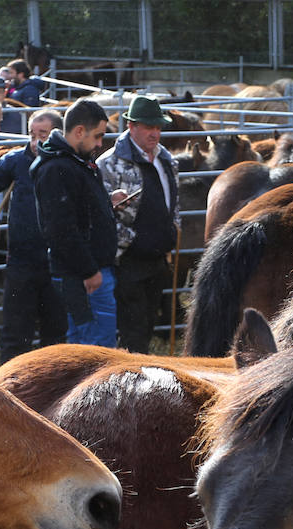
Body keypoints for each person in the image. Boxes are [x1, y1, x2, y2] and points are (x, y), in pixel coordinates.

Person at [96, 95, 180, 353]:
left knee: (149, 322)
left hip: (159, 258)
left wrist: (173, 231)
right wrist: (130, 241)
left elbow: (174, 203)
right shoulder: (109, 164)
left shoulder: (167, 160)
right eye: (148, 127)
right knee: (133, 328)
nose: (155, 133)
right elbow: (103, 216)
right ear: (131, 126)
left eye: (158, 127)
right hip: (128, 260)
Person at [32, 98, 117, 347]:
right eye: (98, 136)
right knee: (94, 345)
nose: (100, 143)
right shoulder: (57, 168)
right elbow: (60, 228)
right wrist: (89, 270)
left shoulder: (74, 162)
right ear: (79, 131)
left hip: (89, 271)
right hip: (84, 276)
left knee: (89, 339)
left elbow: (77, 213)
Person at [0, 108, 64, 362]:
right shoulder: (15, 161)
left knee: (55, 331)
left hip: (57, 262)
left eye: (42, 134)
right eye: (32, 134)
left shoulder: (66, 162)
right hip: (22, 259)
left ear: (57, 134)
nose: (35, 141)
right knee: (15, 330)